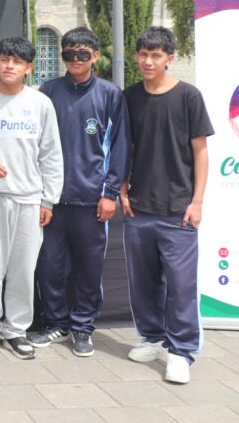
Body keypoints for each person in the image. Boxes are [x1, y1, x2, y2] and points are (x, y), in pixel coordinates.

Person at [31, 27, 130, 358]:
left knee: (90, 269)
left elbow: (120, 147)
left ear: (95, 56)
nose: (76, 59)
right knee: (50, 266)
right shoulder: (48, 92)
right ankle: (56, 323)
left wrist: (110, 193)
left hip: (92, 200)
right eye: (69, 54)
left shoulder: (110, 94)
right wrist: (41, 193)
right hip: (52, 199)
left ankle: (83, 327)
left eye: (83, 54)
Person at [121, 26, 212, 385]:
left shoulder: (189, 96)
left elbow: (200, 151)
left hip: (178, 210)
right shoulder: (130, 96)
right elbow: (125, 148)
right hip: (139, 207)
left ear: (169, 58)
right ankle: (153, 338)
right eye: (143, 54)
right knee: (142, 282)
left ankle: (182, 351)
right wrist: (122, 189)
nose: (148, 61)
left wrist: (197, 201)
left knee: (181, 285)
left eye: (156, 55)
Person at [0, 37, 63, 360]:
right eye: (5, 59)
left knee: (23, 268)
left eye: (17, 61)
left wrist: (48, 200)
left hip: (28, 200)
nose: (10, 66)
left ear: (28, 68)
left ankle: (16, 329)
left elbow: (51, 154)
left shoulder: (40, 104)